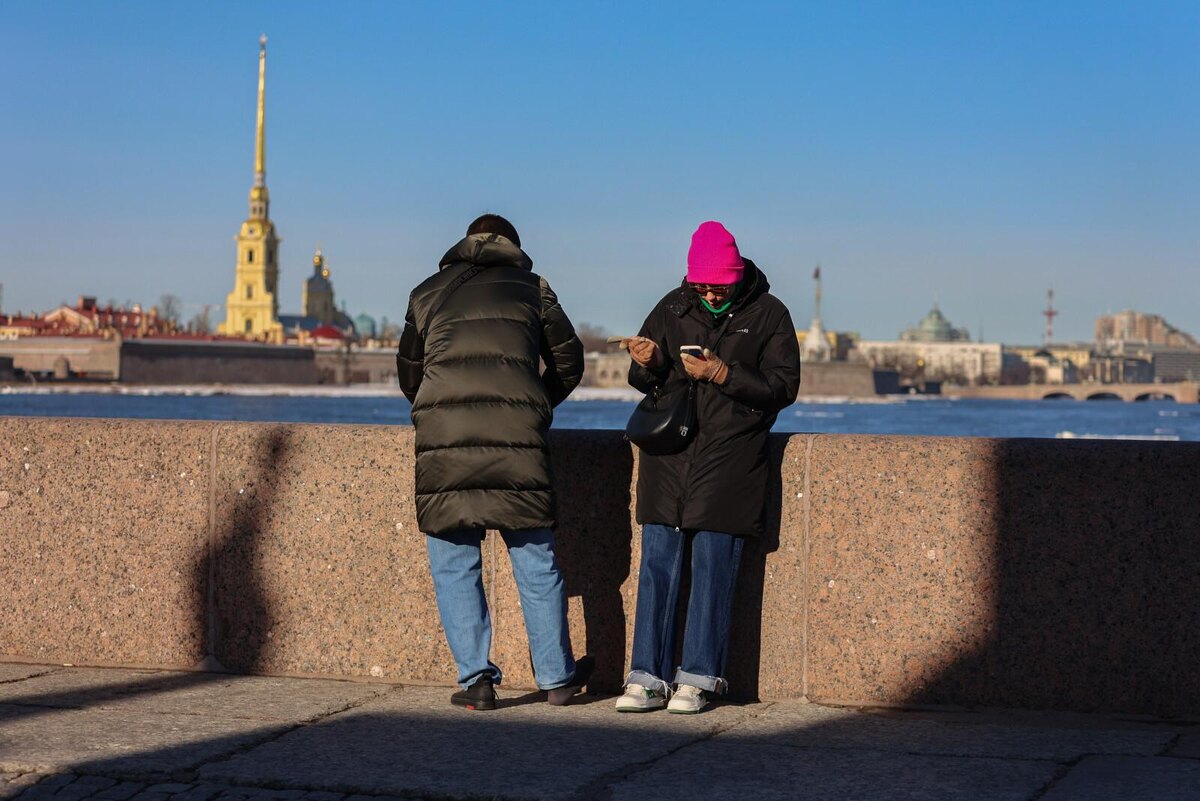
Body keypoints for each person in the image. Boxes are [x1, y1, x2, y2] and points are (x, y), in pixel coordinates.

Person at [396, 214, 592, 710]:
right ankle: (557, 679)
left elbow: (410, 376)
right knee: (536, 561)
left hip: (445, 445)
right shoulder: (534, 289)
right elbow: (570, 363)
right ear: (514, 248)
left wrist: (443, 414)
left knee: (454, 564)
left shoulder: (426, 293)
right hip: (517, 443)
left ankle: (478, 681)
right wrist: (533, 406)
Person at [616, 220, 801, 713]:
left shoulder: (769, 314)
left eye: (719, 287)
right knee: (657, 566)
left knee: (713, 569)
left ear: (737, 276)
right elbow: (644, 380)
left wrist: (722, 372)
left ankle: (697, 677)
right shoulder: (672, 307)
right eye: (702, 286)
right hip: (669, 457)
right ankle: (646, 677)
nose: (711, 295)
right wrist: (648, 361)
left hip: (729, 460)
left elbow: (783, 387)